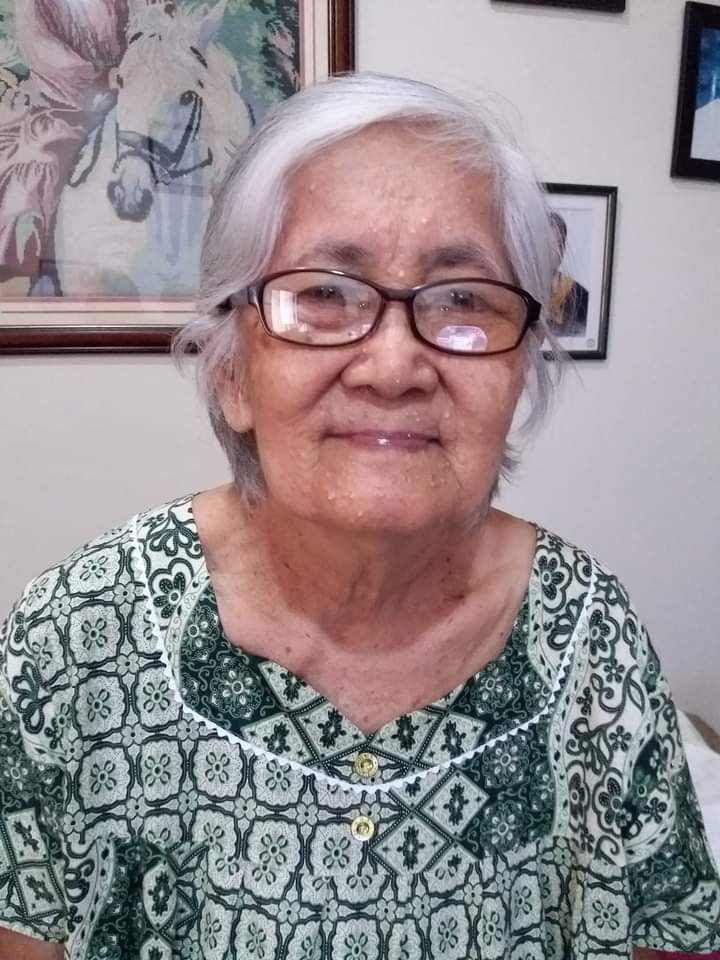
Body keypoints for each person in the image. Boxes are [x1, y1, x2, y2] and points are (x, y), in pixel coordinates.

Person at [0, 72, 718, 960]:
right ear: (231, 372)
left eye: (463, 300)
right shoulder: (74, 638)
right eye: (325, 295)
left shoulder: (593, 638)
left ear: (519, 374)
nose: (391, 367)